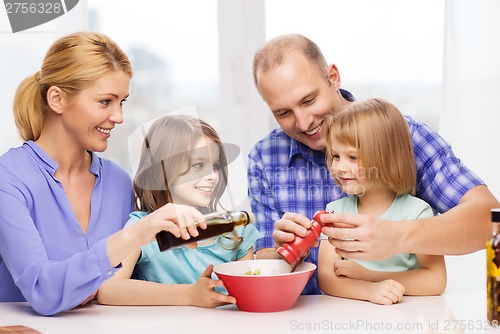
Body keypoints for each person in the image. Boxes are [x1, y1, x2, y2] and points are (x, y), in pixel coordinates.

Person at [248, 33, 499, 295]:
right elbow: (266, 269)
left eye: (309, 100)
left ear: (333, 77)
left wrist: (396, 236)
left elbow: (489, 219)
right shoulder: (265, 157)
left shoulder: (401, 135)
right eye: (283, 113)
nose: (303, 122)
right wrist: (283, 254)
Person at [0, 32, 205, 316]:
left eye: (122, 102)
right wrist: (135, 234)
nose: (119, 116)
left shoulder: (118, 182)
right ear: (57, 99)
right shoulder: (9, 179)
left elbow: (127, 280)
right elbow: (43, 291)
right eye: (105, 101)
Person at [97, 114, 260, 307]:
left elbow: (252, 293)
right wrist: (190, 295)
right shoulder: (143, 229)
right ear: (163, 170)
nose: (212, 176)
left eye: (215, 166)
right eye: (199, 165)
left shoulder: (236, 231)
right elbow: (108, 290)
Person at [317, 98, 447, 304]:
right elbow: (326, 278)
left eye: (352, 157)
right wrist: (368, 291)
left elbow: (435, 280)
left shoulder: (417, 212)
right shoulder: (335, 213)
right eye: (335, 156)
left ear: (387, 158)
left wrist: (370, 277)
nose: (340, 167)